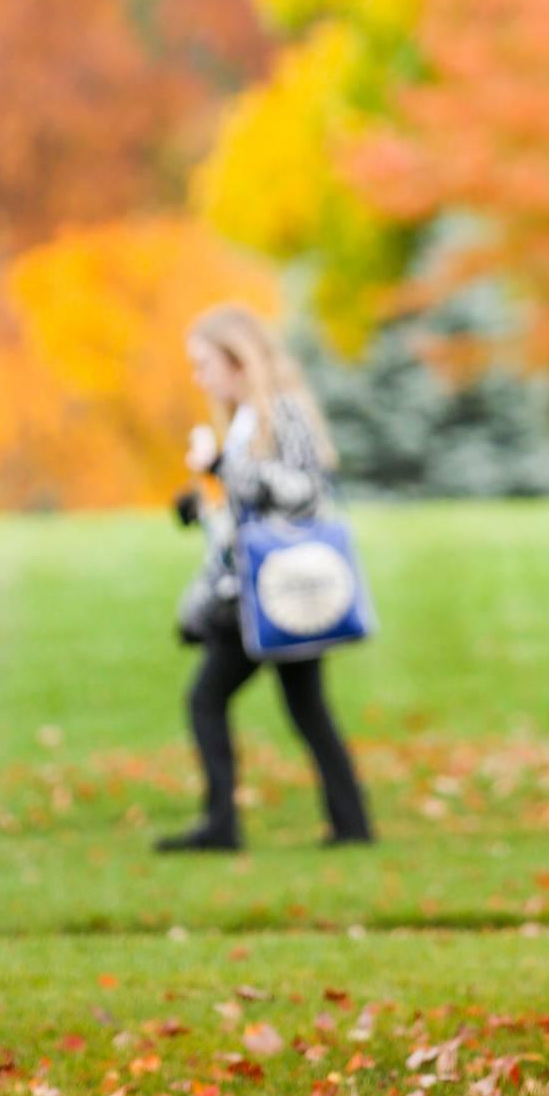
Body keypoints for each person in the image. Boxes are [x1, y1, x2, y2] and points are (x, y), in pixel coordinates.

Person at [157, 303, 375, 855]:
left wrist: (219, 469)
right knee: (306, 709)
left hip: (277, 590)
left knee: (206, 699)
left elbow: (301, 492)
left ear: (238, 360)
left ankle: (222, 825)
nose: (198, 376)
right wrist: (201, 508)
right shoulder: (247, 422)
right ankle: (350, 825)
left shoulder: (281, 414)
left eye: (204, 362)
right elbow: (245, 514)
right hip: (258, 592)